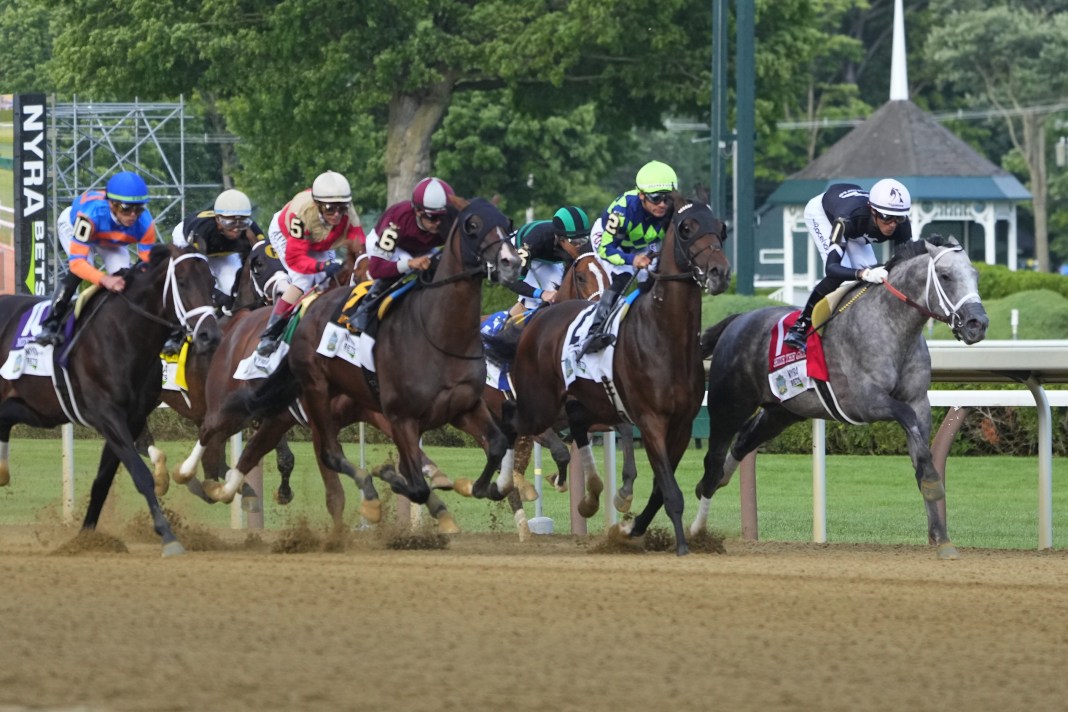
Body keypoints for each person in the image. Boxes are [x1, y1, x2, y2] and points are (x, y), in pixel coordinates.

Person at [782, 178, 914, 352]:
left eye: (898, 218)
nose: (892, 225)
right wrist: (863, 274)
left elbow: (905, 264)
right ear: (873, 210)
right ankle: (799, 328)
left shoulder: (901, 226)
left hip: (857, 221)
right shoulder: (847, 219)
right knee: (843, 275)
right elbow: (832, 268)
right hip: (823, 213)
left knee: (869, 267)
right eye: (886, 217)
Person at [36, 170, 159, 346]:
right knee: (83, 270)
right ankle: (51, 323)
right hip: (74, 226)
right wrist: (104, 279)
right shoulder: (90, 216)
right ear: (112, 205)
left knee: (124, 276)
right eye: (126, 208)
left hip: (107, 238)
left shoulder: (146, 224)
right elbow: (77, 263)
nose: (133, 215)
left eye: (138, 209)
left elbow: (147, 265)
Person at [255, 170, 365, 356]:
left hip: (321, 237)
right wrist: (322, 266)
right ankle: (271, 333)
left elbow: (360, 246)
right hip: (288, 236)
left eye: (342, 208)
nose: (337, 214)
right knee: (305, 281)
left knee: (337, 280)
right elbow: (296, 259)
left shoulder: (348, 213)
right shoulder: (302, 215)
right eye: (331, 208)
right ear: (318, 205)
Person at [578, 160, 677, 355]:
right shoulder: (622, 210)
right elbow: (607, 249)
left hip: (642, 244)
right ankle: (594, 333)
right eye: (656, 198)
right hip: (611, 241)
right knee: (623, 278)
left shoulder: (671, 209)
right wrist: (632, 260)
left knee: (657, 281)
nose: (663, 205)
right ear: (641, 196)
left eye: (668, 199)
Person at [347, 176, 454, 334]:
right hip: (388, 247)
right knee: (404, 261)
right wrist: (410, 264)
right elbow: (377, 269)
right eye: (432, 217)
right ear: (417, 211)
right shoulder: (397, 221)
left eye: (443, 216)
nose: (439, 223)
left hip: (423, 249)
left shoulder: (449, 220)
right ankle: (365, 309)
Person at [172, 188, 268, 316]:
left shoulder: (251, 230)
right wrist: (218, 297)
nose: (236, 228)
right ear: (217, 219)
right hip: (190, 246)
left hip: (222, 253)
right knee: (196, 287)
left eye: (242, 223)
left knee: (230, 288)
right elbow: (198, 273)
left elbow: (263, 255)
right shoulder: (203, 231)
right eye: (230, 222)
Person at [505, 206, 591, 317]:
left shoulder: (575, 242)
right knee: (535, 301)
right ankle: (505, 328)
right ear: (561, 238)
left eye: (584, 240)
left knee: (562, 296)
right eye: (575, 242)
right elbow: (512, 280)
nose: (580, 247)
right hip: (524, 249)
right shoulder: (533, 244)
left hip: (550, 256)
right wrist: (542, 293)